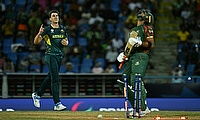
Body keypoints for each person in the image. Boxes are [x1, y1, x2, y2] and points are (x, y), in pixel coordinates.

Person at [117, 9, 155, 117]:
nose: (140, 15)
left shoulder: (148, 29)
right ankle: (136, 107)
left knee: (136, 80)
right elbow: (130, 45)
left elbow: (151, 44)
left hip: (141, 56)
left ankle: (144, 108)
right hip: (132, 57)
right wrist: (124, 55)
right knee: (123, 81)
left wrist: (139, 43)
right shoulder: (134, 30)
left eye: (143, 15)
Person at [32, 10, 68, 111]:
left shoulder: (63, 29)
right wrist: (39, 34)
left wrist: (66, 43)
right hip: (50, 55)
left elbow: (66, 41)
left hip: (59, 56)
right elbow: (36, 42)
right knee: (55, 79)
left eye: (57, 15)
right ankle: (57, 103)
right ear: (50, 19)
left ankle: (37, 94)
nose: (56, 17)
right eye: (53, 16)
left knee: (51, 76)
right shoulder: (47, 29)